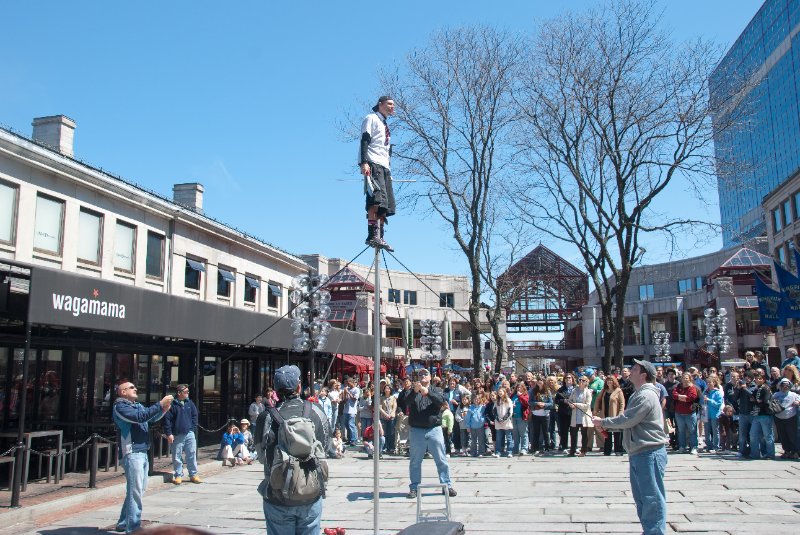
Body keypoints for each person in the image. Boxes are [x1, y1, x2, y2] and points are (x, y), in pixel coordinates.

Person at [593, 359, 669, 535]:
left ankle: (656, 532)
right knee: (642, 498)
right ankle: (649, 530)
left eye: (634, 368)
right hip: (639, 452)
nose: (630, 370)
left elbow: (628, 419)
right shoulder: (639, 393)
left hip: (649, 452)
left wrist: (603, 422)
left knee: (652, 497)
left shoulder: (646, 395)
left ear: (643, 375)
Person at [255, 365, 331, 535]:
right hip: (310, 493)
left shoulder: (265, 417)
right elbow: (326, 447)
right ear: (298, 387)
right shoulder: (316, 412)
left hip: (277, 496)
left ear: (275, 390)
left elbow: (261, 456)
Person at [113, 381, 173, 534]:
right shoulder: (120, 407)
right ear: (122, 392)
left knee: (137, 489)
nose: (135, 389)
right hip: (132, 453)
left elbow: (150, 417)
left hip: (142, 451)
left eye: (135, 387)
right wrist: (160, 404)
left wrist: (163, 409)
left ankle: (123, 522)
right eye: (131, 387)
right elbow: (140, 417)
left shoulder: (136, 405)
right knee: (136, 491)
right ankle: (133, 528)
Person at [400, 368, 456, 499]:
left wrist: (428, 393)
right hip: (417, 430)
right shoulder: (412, 391)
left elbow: (441, 402)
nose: (422, 376)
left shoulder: (437, 390)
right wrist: (415, 391)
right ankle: (414, 487)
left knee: (441, 459)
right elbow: (406, 402)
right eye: (420, 374)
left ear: (430, 377)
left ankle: (446, 485)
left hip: (434, 429)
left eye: (425, 374)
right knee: (415, 461)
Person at [359, 95, 396, 250]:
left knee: (386, 204)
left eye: (393, 105)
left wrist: (389, 168)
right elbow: (365, 139)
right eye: (389, 104)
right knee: (375, 199)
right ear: (380, 104)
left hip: (385, 167)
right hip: (373, 163)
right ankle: (372, 234)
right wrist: (364, 162)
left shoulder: (384, 124)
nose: (392, 107)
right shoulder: (371, 118)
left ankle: (380, 236)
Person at [163, 384, 201, 485]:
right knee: (177, 456)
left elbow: (195, 415)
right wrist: (169, 433)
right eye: (185, 392)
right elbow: (167, 419)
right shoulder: (173, 404)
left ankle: (193, 474)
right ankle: (178, 475)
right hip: (177, 434)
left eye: (188, 392)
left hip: (189, 433)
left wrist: (192, 427)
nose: (187, 393)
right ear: (179, 393)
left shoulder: (190, 403)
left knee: (191, 454)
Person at [594, 375, 625, 456]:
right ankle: (607, 450)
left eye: (611, 380)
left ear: (614, 381)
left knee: (617, 432)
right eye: (608, 380)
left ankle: (618, 450)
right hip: (606, 414)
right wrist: (596, 410)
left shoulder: (618, 391)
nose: (609, 382)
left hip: (615, 414)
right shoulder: (604, 390)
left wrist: (620, 413)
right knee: (607, 433)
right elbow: (598, 400)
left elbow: (622, 403)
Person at [749, 372, 776, 460]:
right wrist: (757, 401)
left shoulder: (766, 389)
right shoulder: (756, 389)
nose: (758, 380)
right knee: (753, 434)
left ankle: (770, 454)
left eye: (760, 378)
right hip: (756, 415)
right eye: (756, 378)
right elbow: (753, 399)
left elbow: (764, 401)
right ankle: (755, 454)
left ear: (764, 380)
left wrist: (756, 401)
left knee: (767, 435)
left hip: (765, 415)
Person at [672, 372, 699, 454]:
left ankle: (694, 447)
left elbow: (692, 397)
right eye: (683, 378)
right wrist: (683, 397)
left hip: (690, 413)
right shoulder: (678, 386)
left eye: (687, 378)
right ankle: (682, 446)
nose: (685, 379)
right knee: (681, 431)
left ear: (690, 378)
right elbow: (674, 394)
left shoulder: (692, 387)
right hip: (679, 413)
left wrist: (680, 397)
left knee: (692, 431)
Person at [567, 375, 594, 457]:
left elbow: (587, 405)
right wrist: (570, 404)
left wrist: (576, 404)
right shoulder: (575, 390)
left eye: (583, 380)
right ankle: (572, 451)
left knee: (584, 434)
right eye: (580, 380)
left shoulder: (588, 392)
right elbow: (570, 400)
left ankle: (583, 451)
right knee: (573, 434)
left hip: (584, 416)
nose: (581, 382)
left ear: (586, 382)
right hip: (575, 415)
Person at [773, 378, 800, 459]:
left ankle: (795, 452)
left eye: (787, 385)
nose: (785, 387)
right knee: (782, 435)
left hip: (791, 418)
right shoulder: (776, 394)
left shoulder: (794, 395)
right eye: (783, 385)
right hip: (779, 417)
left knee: (792, 435)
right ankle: (786, 451)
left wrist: (798, 402)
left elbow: (799, 400)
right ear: (780, 386)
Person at [701, 376, 723, 453]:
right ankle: (708, 446)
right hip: (706, 414)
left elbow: (718, 404)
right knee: (706, 431)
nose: (709, 384)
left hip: (714, 415)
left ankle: (716, 447)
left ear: (714, 383)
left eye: (710, 382)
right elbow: (701, 402)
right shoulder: (705, 392)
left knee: (715, 431)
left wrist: (709, 400)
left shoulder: (717, 392)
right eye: (707, 383)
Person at [493, 387, 514, 458]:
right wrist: (498, 419)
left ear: (504, 392)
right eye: (499, 392)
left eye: (501, 391)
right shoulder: (497, 401)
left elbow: (510, 411)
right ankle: (498, 452)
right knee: (498, 438)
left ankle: (510, 452)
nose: (500, 393)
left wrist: (504, 419)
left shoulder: (508, 400)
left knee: (509, 438)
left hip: (507, 422)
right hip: (499, 423)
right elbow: (494, 411)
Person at [379, 384, 397, 454]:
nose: (387, 390)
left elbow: (394, 407)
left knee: (391, 433)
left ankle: (391, 447)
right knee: (384, 432)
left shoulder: (393, 398)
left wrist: (391, 414)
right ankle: (385, 447)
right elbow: (380, 407)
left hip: (391, 417)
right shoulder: (381, 398)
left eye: (388, 388)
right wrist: (385, 414)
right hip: (384, 417)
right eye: (386, 388)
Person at [342, 377, 361, 445]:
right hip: (346, 410)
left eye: (348, 383)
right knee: (347, 425)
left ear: (352, 382)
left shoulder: (356, 390)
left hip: (352, 411)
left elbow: (354, 399)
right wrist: (344, 394)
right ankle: (349, 439)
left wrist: (348, 392)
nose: (348, 384)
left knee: (351, 425)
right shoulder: (347, 389)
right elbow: (344, 400)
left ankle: (354, 440)